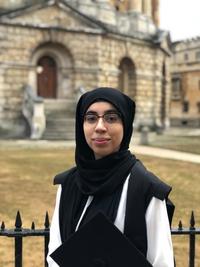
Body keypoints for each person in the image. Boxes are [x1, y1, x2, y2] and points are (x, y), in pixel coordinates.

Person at [47, 87, 174, 267]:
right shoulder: (67, 185)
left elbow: (162, 262)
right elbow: (54, 255)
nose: (100, 127)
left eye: (111, 118)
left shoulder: (145, 189)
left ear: (126, 124)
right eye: (91, 118)